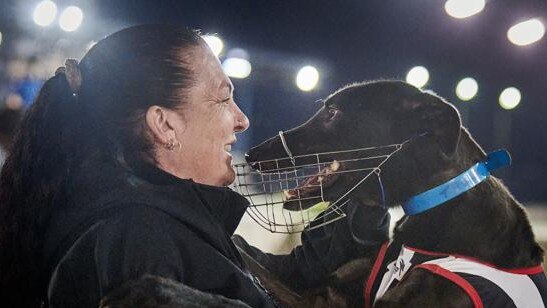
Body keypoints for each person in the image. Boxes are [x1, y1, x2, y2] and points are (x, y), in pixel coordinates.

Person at [0, 24, 389, 307]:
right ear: (165, 124)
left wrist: (363, 200)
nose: (242, 119)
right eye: (223, 99)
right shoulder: (136, 239)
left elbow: (286, 279)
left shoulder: (163, 222)